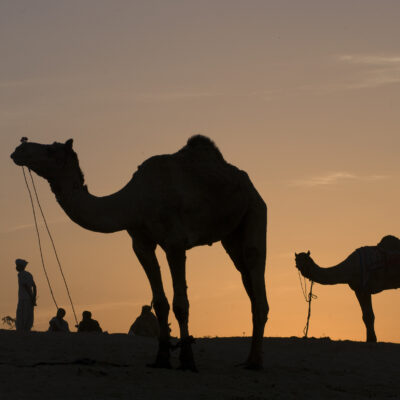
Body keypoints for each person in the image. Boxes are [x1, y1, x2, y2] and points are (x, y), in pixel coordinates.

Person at [15, 258, 36, 332]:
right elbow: (34, 286)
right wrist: (33, 298)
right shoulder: (29, 274)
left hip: (23, 298)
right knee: (28, 315)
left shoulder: (20, 275)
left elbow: (26, 286)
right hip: (29, 298)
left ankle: (22, 330)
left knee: (22, 315)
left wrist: (31, 297)